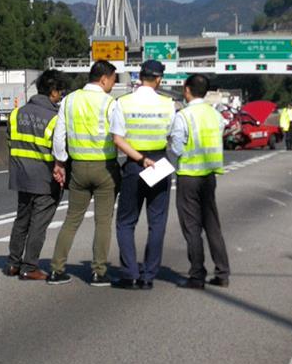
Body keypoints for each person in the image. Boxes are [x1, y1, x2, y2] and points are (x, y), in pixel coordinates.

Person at [48, 61, 136, 286]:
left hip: (78, 167)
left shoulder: (69, 100)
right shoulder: (110, 103)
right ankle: (99, 272)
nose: (113, 84)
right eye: (114, 79)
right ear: (104, 79)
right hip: (105, 168)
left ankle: (56, 270)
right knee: (103, 221)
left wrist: (60, 162)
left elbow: (59, 136)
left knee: (71, 219)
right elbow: (120, 135)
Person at [111, 60, 175, 290]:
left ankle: (129, 274)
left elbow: (117, 139)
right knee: (157, 222)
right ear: (159, 79)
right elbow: (171, 136)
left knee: (126, 222)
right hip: (159, 163)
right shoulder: (168, 104)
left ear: (139, 77)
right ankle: (148, 276)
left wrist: (138, 158)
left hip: (134, 164)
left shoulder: (123, 103)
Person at [3, 70, 67, 280]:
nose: (61, 96)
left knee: (22, 220)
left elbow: (10, 141)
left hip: (21, 175)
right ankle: (30, 267)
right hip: (45, 178)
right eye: (60, 92)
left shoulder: (15, 114)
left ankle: (13, 263)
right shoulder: (54, 118)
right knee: (38, 223)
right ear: (53, 92)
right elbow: (59, 148)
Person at [171, 73, 230, 289]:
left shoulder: (183, 116)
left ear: (187, 90)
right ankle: (222, 273)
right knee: (212, 224)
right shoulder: (216, 116)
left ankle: (197, 275)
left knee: (192, 228)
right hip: (209, 176)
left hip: (188, 176)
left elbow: (177, 148)